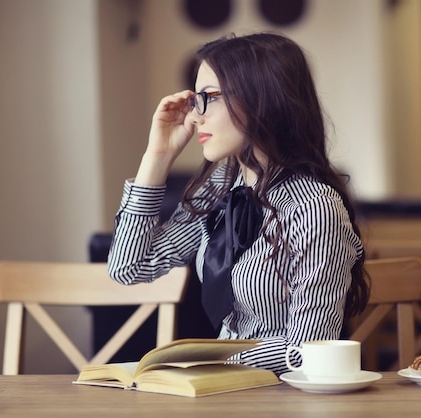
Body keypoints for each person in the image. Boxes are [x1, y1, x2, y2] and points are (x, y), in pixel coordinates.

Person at [108, 32, 369, 376]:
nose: (195, 117)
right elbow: (129, 266)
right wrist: (157, 156)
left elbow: (307, 350)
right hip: (226, 393)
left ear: (262, 99)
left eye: (209, 98)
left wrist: (207, 361)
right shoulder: (222, 185)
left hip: (285, 399)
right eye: (195, 100)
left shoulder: (314, 207)